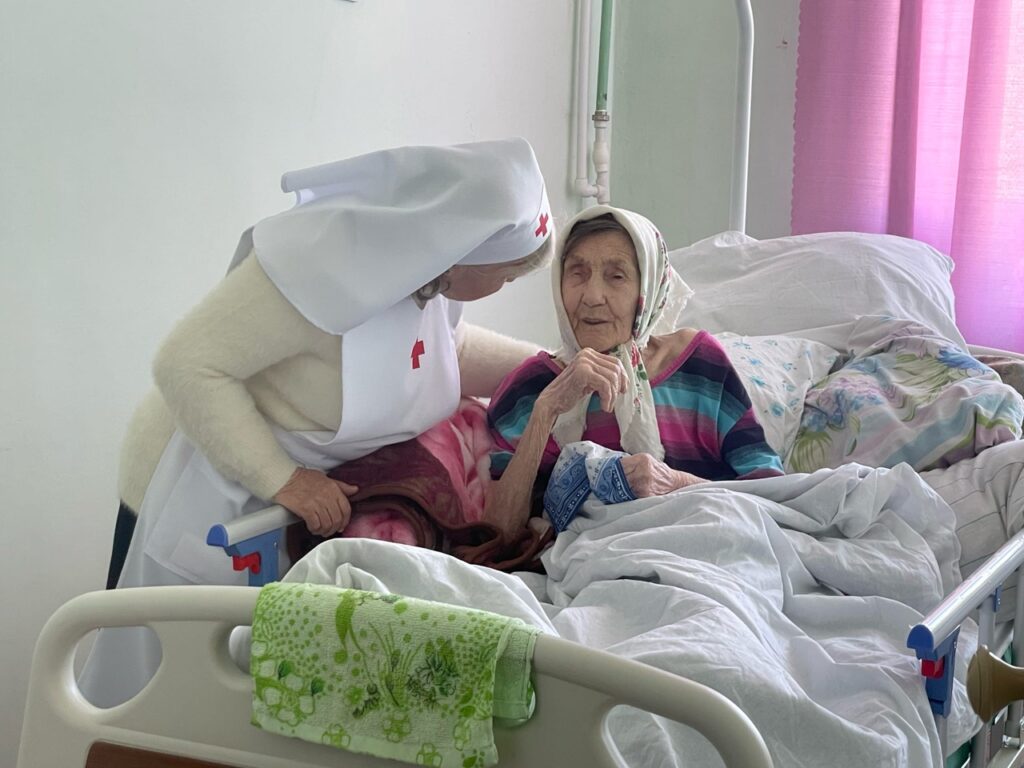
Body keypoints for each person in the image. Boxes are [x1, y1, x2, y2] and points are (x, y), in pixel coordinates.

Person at [82, 137, 555, 707]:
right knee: (161, 692)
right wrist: (284, 480)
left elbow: (442, 351)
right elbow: (186, 365)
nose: (504, 285)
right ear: (463, 251)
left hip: (285, 499)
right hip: (198, 477)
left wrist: (549, 367)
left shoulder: (430, 274)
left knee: (234, 694)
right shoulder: (315, 267)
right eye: (506, 275)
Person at [481, 205, 784, 539]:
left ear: (648, 288)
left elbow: (771, 492)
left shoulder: (700, 368)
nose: (592, 297)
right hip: (590, 560)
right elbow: (497, 534)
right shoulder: (532, 387)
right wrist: (546, 411)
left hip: (710, 543)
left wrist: (676, 483)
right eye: (577, 273)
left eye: (617, 276)